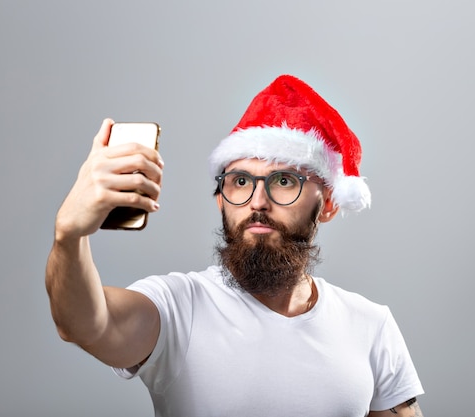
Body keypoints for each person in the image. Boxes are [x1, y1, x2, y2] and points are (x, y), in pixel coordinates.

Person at [46, 74, 425, 416]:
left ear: (328, 204)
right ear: (220, 199)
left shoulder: (370, 324)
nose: (258, 202)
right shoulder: (178, 307)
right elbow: (85, 323)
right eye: (241, 182)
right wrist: (69, 235)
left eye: (283, 181)